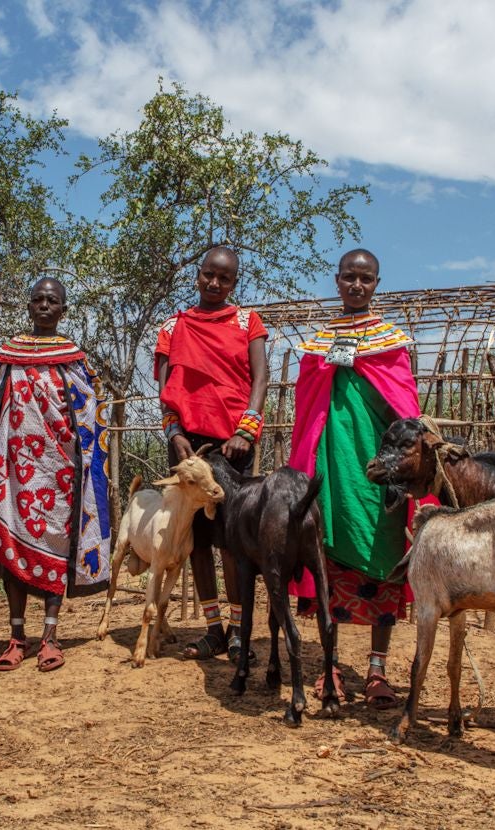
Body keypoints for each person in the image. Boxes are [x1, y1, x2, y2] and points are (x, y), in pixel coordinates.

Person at [288, 248, 425, 709]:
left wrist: (399, 466)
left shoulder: (391, 344)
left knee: (386, 555)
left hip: (378, 473)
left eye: (365, 279)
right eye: (349, 277)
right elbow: (307, 413)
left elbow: (404, 410)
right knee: (324, 553)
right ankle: (329, 668)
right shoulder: (317, 345)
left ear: (377, 283)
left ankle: (377, 670)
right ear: (337, 280)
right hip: (329, 468)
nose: (356, 286)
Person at [0, 277, 112, 672]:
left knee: (57, 545)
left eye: (53, 300)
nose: (45, 306)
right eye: (38, 299)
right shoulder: (8, 355)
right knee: (10, 548)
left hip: (60, 470)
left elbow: (92, 409)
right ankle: (16, 637)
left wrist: (83, 456)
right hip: (13, 470)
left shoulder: (75, 358)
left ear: (63, 310)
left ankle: (50, 637)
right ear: (29, 306)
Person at [154, 246, 268, 662]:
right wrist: (174, 432)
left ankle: (239, 632)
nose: (215, 284)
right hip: (189, 446)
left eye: (225, 279)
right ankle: (213, 630)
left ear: (234, 283)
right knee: (198, 539)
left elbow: (260, 379)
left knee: (235, 541)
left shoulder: (246, 321)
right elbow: (166, 390)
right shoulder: (173, 326)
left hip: (234, 444)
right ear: (198, 275)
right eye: (208, 275)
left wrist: (246, 429)